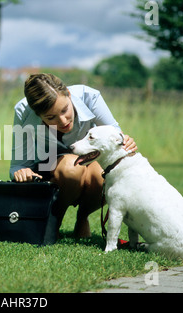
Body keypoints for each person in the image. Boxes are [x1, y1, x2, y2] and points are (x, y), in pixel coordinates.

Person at [9, 73, 137, 238]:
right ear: (37, 114)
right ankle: (53, 220)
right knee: (71, 167)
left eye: (65, 110)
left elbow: (116, 139)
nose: (62, 121)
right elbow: (17, 166)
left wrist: (127, 143)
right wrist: (21, 172)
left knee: (102, 175)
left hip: (89, 163)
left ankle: (82, 217)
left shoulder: (90, 97)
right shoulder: (23, 112)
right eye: (51, 117)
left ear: (68, 95)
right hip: (48, 172)